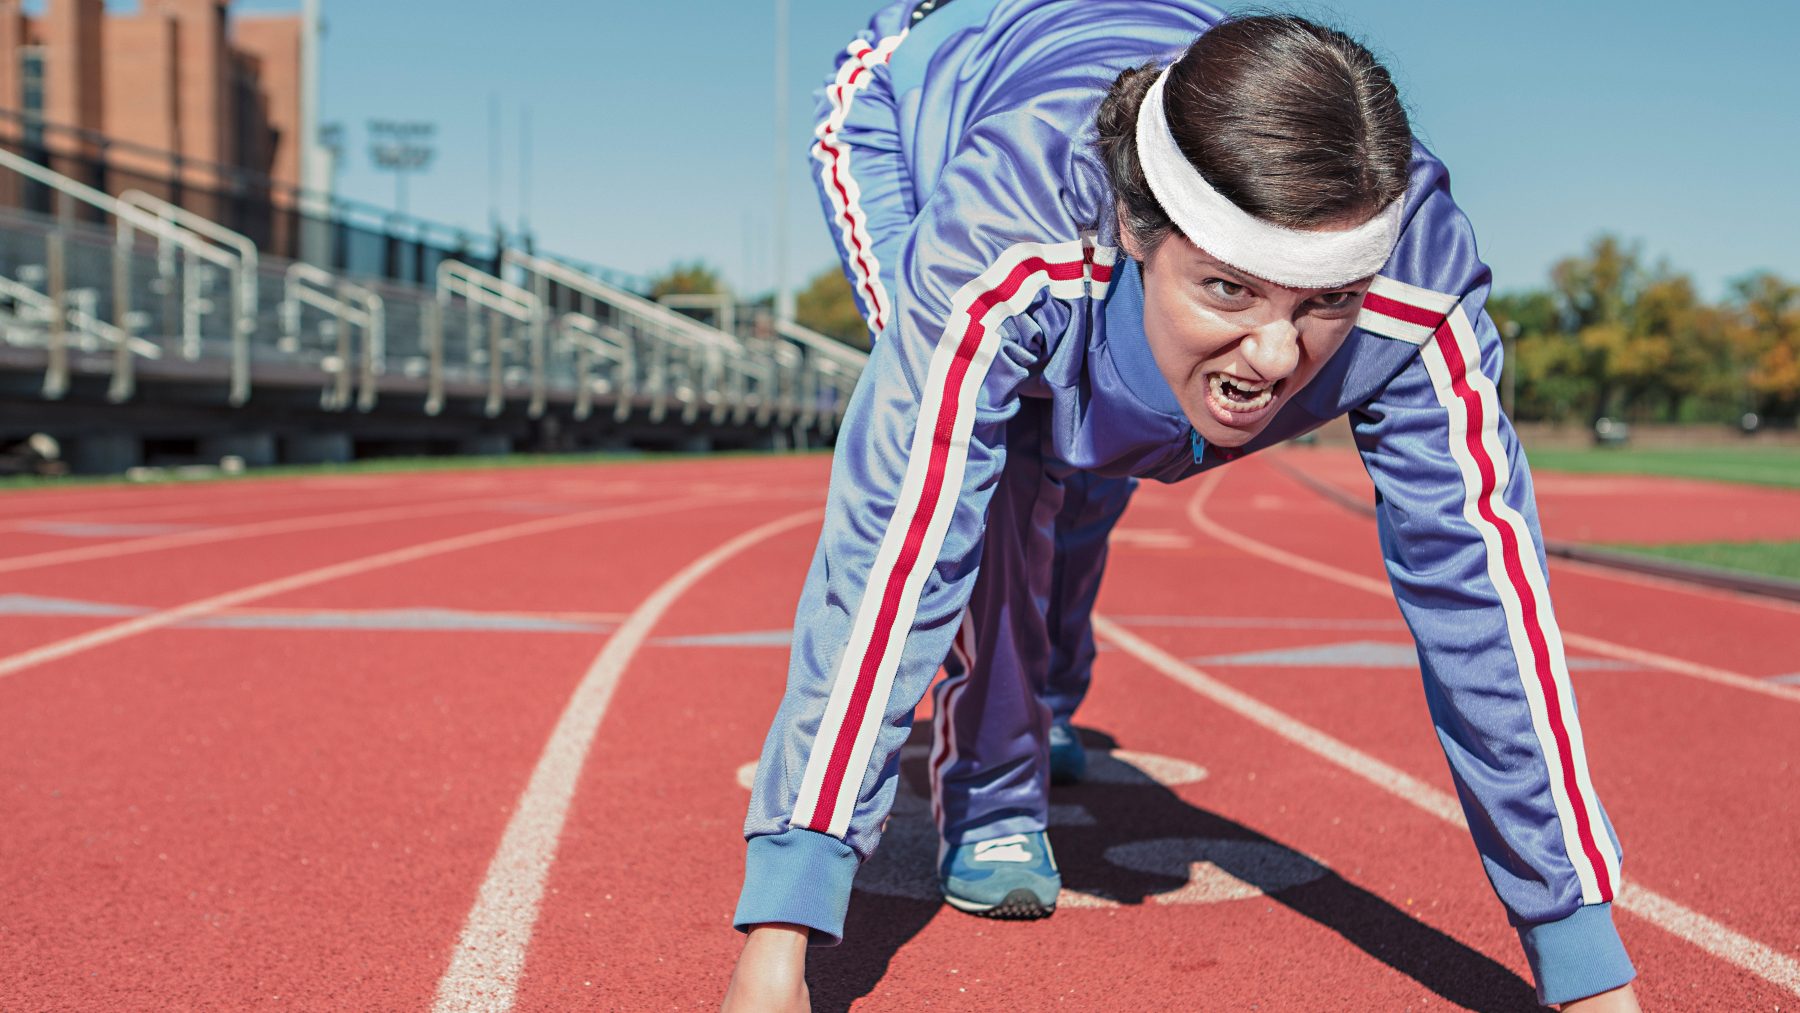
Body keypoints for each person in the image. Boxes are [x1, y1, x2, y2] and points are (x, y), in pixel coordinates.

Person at [726, 2, 1641, 1010]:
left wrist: (1582, 953)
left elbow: (1486, 603)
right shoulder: (1006, 234)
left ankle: (1045, 691)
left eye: (1324, 301)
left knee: (1097, 465)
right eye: (1229, 291)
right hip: (916, 109)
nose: (1276, 357)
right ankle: (992, 786)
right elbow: (896, 544)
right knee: (998, 467)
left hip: (1127, 130)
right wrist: (784, 928)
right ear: (1138, 229)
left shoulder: (1416, 282)